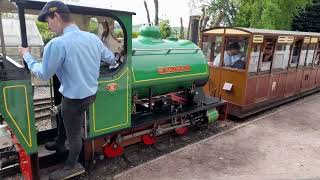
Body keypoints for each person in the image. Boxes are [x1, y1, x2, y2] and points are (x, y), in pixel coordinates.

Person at [18, 1, 116, 179]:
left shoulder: (56, 44)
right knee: (63, 111)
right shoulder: (92, 38)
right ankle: (59, 142)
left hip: (74, 99)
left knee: (74, 133)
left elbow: (43, 74)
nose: (49, 26)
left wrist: (27, 56)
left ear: (56, 16)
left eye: (48, 21)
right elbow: (110, 58)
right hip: (90, 94)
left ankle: (71, 165)